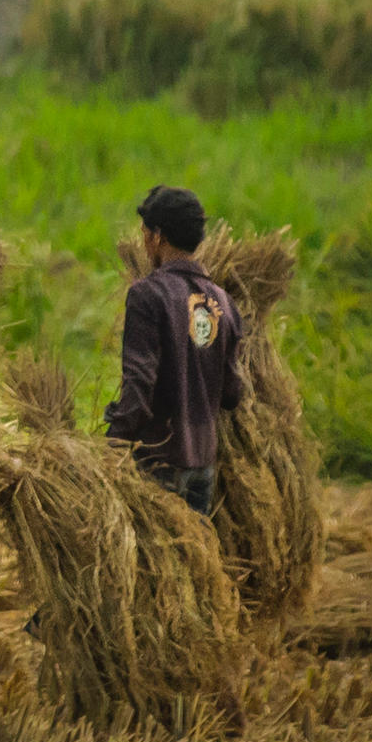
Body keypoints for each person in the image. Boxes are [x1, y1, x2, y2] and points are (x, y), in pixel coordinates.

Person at [111, 184, 243, 518]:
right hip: (202, 465)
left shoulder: (147, 294)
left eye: (145, 232)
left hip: (158, 463)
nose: (143, 241)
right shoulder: (224, 303)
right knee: (193, 565)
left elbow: (139, 383)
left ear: (158, 236)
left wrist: (111, 445)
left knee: (152, 568)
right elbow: (232, 393)